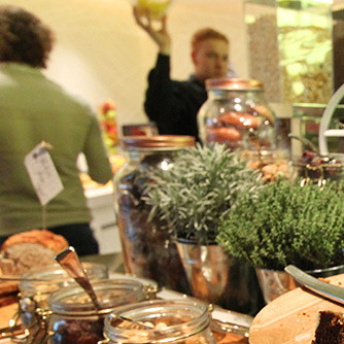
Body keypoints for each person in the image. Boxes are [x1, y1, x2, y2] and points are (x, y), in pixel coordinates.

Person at [0, 5, 111, 255]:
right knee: (80, 295)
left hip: (9, 237)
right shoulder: (77, 105)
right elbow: (103, 174)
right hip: (73, 233)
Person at [134, 7, 229, 139]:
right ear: (194, 57)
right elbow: (159, 110)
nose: (220, 64)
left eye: (225, 58)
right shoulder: (180, 93)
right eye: (212, 56)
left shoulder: (229, 101)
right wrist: (164, 50)